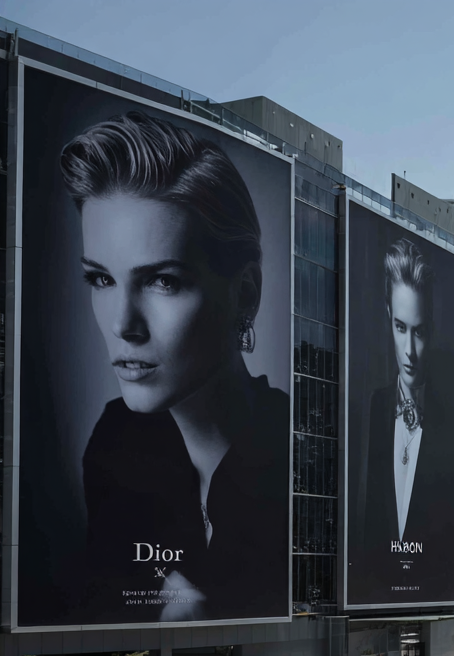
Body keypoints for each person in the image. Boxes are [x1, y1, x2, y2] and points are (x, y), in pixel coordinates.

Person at [61, 110, 289, 623]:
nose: (124, 324)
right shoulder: (114, 445)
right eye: (101, 279)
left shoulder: (296, 453)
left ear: (244, 293)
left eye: (163, 281)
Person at [357, 237, 454, 602]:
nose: (410, 351)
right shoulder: (376, 405)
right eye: (401, 328)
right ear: (388, 315)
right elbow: (373, 523)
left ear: (431, 328)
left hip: (435, 592)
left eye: (419, 331)